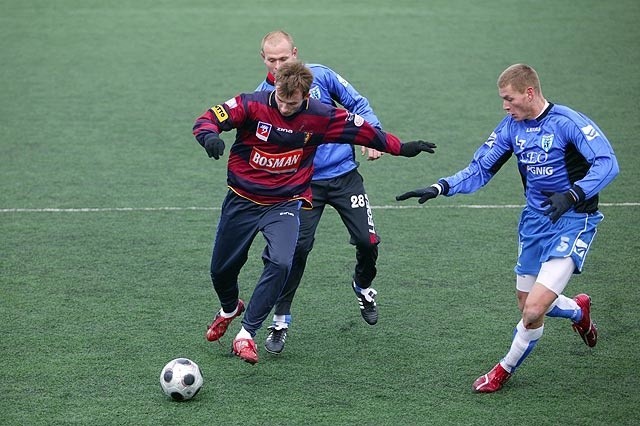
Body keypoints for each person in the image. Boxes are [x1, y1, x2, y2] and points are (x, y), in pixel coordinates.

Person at [193, 60, 436, 365]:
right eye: (280, 99)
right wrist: (209, 136)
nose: (284, 108)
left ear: (306, 97)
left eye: (292, 103)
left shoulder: (322, 116)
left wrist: (402, 147)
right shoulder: (251, 104)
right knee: (220, 271)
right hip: (242, 201)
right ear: (275, 87)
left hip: (284, 203)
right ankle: (229, 308)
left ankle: (247, 334)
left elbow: (365, 133)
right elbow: (208, 118)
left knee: (283, 260)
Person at [396, 63, 619, 392]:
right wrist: (440, 187)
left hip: (573, 221)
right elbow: (479, 169)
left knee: (532, 312)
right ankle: (577, 311)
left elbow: (608, 162)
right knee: (528, 302)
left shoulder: (568, 123)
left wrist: (573, 195)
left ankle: (502, 370)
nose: (505, 105)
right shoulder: (510, 128)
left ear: (529, 93)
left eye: (509, 98)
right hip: (534, 222)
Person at [255, 30, 385, 355]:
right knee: (295, 250)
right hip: (304, 185)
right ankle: (280, 320)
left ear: (295, 53)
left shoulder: (323, 77)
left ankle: (363, 285)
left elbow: (358, 104)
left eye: (284, 58)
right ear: (263, 60)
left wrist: (374, 136)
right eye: (272, 60)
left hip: (344, 176)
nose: (278, 65)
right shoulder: (262, 97)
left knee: (368, 242)